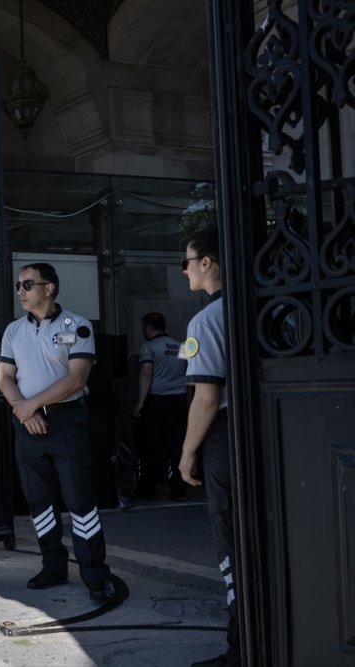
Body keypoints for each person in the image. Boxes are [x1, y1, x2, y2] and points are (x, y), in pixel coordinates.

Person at [0, 262, 114, 602]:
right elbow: (4, 376)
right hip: (27, 424)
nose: (21, 290)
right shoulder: (13, 331)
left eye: (28, 284)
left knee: (79, 501)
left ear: (49, 288)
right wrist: (24, 409)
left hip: (67, 423)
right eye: (19, 285)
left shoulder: (76, 327)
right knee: (40, 502)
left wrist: (29, 404)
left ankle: (95, 575)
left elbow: (77, 379)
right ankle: (53, 566)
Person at [177, 226, 238, 667]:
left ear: (207, 263)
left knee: (230, 538)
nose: (184, 270)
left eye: (188, 261)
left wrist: (186, 452)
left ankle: (242, 644)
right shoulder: (265, 304)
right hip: (271, 429)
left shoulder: (205, 320)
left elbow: (206, 397)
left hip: (224, 436)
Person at [132, 312, 189, 503]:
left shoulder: (148, 347)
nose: (143, 332)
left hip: (156, 402)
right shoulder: (181, 347)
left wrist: (140, 402)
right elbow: (188, 374)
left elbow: (146, 373)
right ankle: (179, 489)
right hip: (179, 401)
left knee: (150, 446)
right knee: (176, 446)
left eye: (143, 328)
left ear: (148, 327)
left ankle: (147, 489)